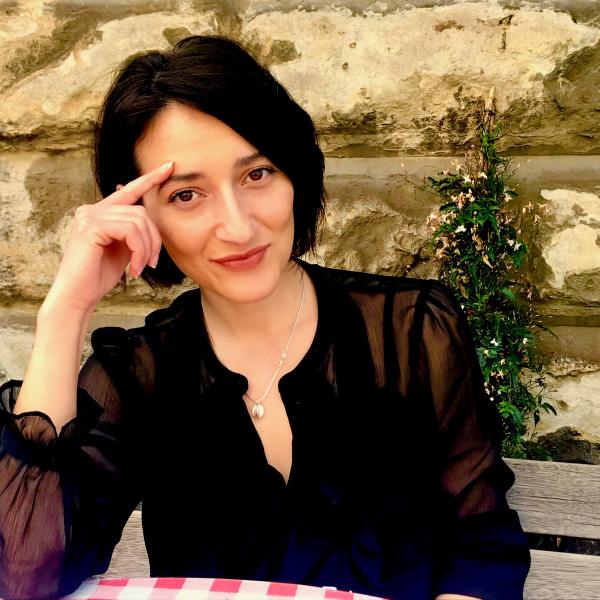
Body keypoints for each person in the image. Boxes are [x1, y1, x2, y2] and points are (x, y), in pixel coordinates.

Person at [0, 35, 530, 600]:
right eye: (186, 194)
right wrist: (65, 311)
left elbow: (481, 548)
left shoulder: (411, 329)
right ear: (136, 213)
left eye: (257, 175)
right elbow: (23, 573)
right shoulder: (141, 373)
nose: (238, 227)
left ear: (294, 172)